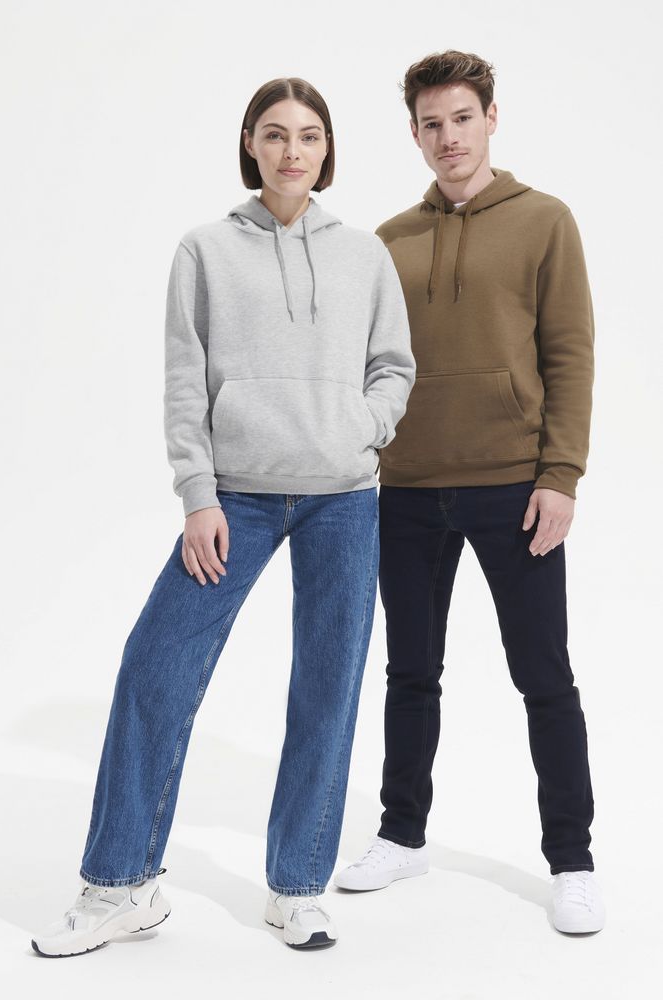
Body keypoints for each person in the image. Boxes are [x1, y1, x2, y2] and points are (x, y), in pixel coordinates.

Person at [31, 77, 415, 957]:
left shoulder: (362, 255)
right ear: (249, 144)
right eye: (274, 134)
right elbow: (183, 378)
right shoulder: (203, 249)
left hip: (343, 500)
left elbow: (393, 366)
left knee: (327, 688)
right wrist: (197, 495)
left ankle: (297, 889)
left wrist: (360, 426)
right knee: (155, 666)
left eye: (308, 135)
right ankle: (121, 885)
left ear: (327, 148)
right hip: (235, 496)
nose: (291, 151)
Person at [334, 50, 605, 935]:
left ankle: (571, 860)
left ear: (491, 118)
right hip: (407, 489)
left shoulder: (544, 221)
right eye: (430, 123)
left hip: (511, 486)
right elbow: (368, 365)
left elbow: (569, 354)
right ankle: (400, 834)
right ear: (413, 133)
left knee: (543, 676)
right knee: (409, 673)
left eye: (460, 118)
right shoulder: (389, 240)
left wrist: (559, 475)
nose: (446, 137)